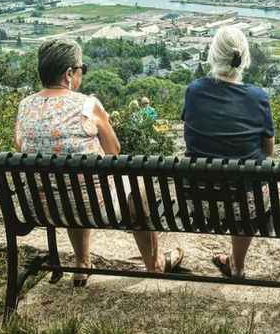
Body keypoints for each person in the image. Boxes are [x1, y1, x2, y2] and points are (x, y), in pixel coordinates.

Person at [14, 39, 184, 287]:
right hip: (89, 206)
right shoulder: (88, 105)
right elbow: (114, 151)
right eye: (82, 68)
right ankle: (155, 264)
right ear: (69, 73)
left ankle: (82, 264)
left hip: (41, 208)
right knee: (137, 187)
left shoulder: (25, 106)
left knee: (74, 184)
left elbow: (21, 147)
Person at [182, 26, 275, 279]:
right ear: (244, 58)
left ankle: (234, 264)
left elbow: (191, 136)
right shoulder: (258, 97)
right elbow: (268, 152)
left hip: (200, 202)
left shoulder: (194, 91)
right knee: (249, 190)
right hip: (244, 206)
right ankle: (238, 266)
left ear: (213, 56)